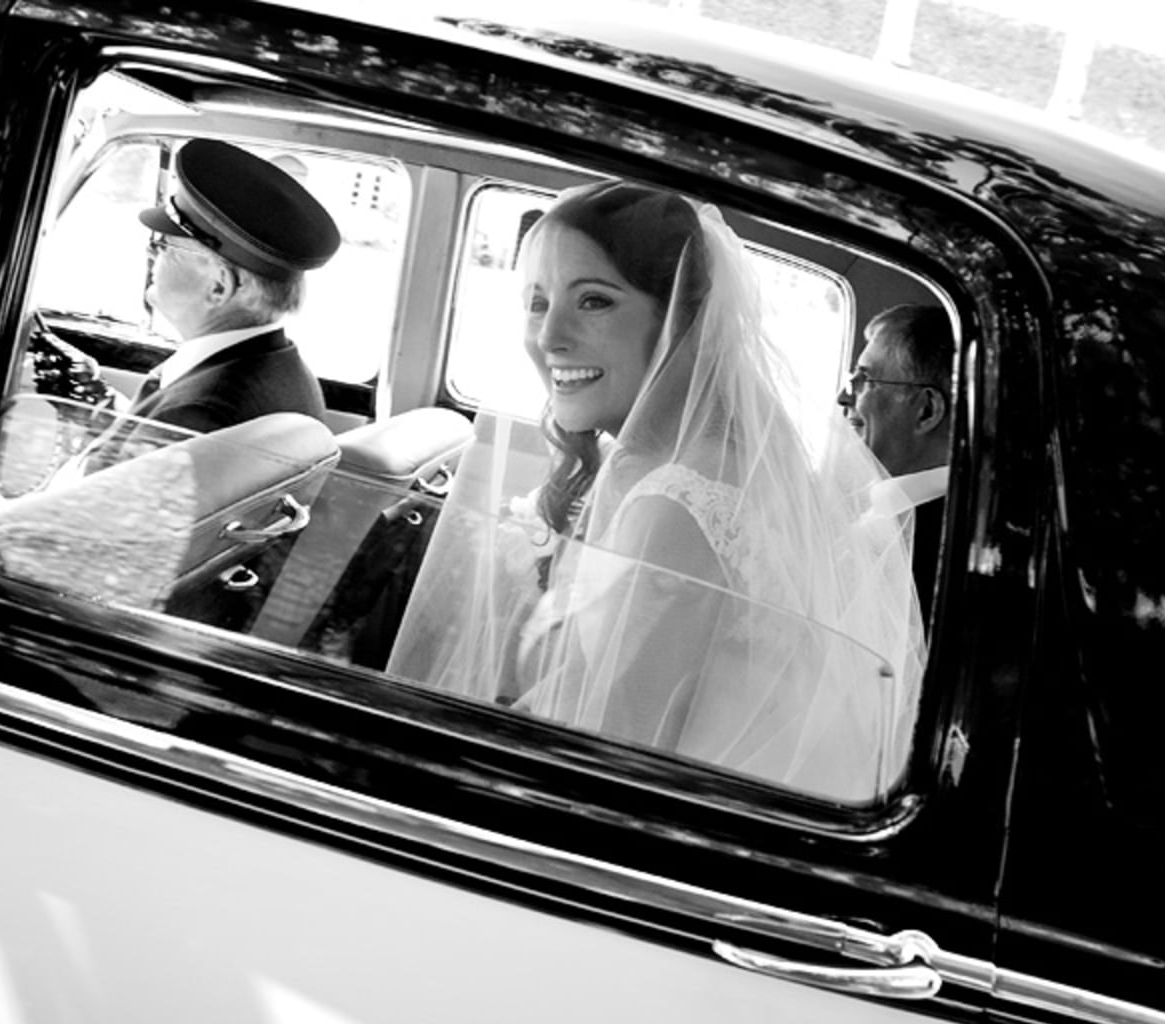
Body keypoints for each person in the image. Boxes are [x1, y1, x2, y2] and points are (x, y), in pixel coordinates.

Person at [389, 181, 925, 804]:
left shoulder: (677, 503)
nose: (550, 335)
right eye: (537, 302)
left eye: (593, 301)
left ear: (679, 323)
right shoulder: (684, 463)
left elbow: (604, 765)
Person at [73, 138, 338, 476]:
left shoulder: (198, 414)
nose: (153, 254)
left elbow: (97, 526)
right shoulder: (281, 370)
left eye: (165, 245)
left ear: (219, 286)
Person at [837, 304, 954, 626]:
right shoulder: (886, 515)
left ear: (926, 410)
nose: (843, 398)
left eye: (865, 379)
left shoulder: (937, 548)